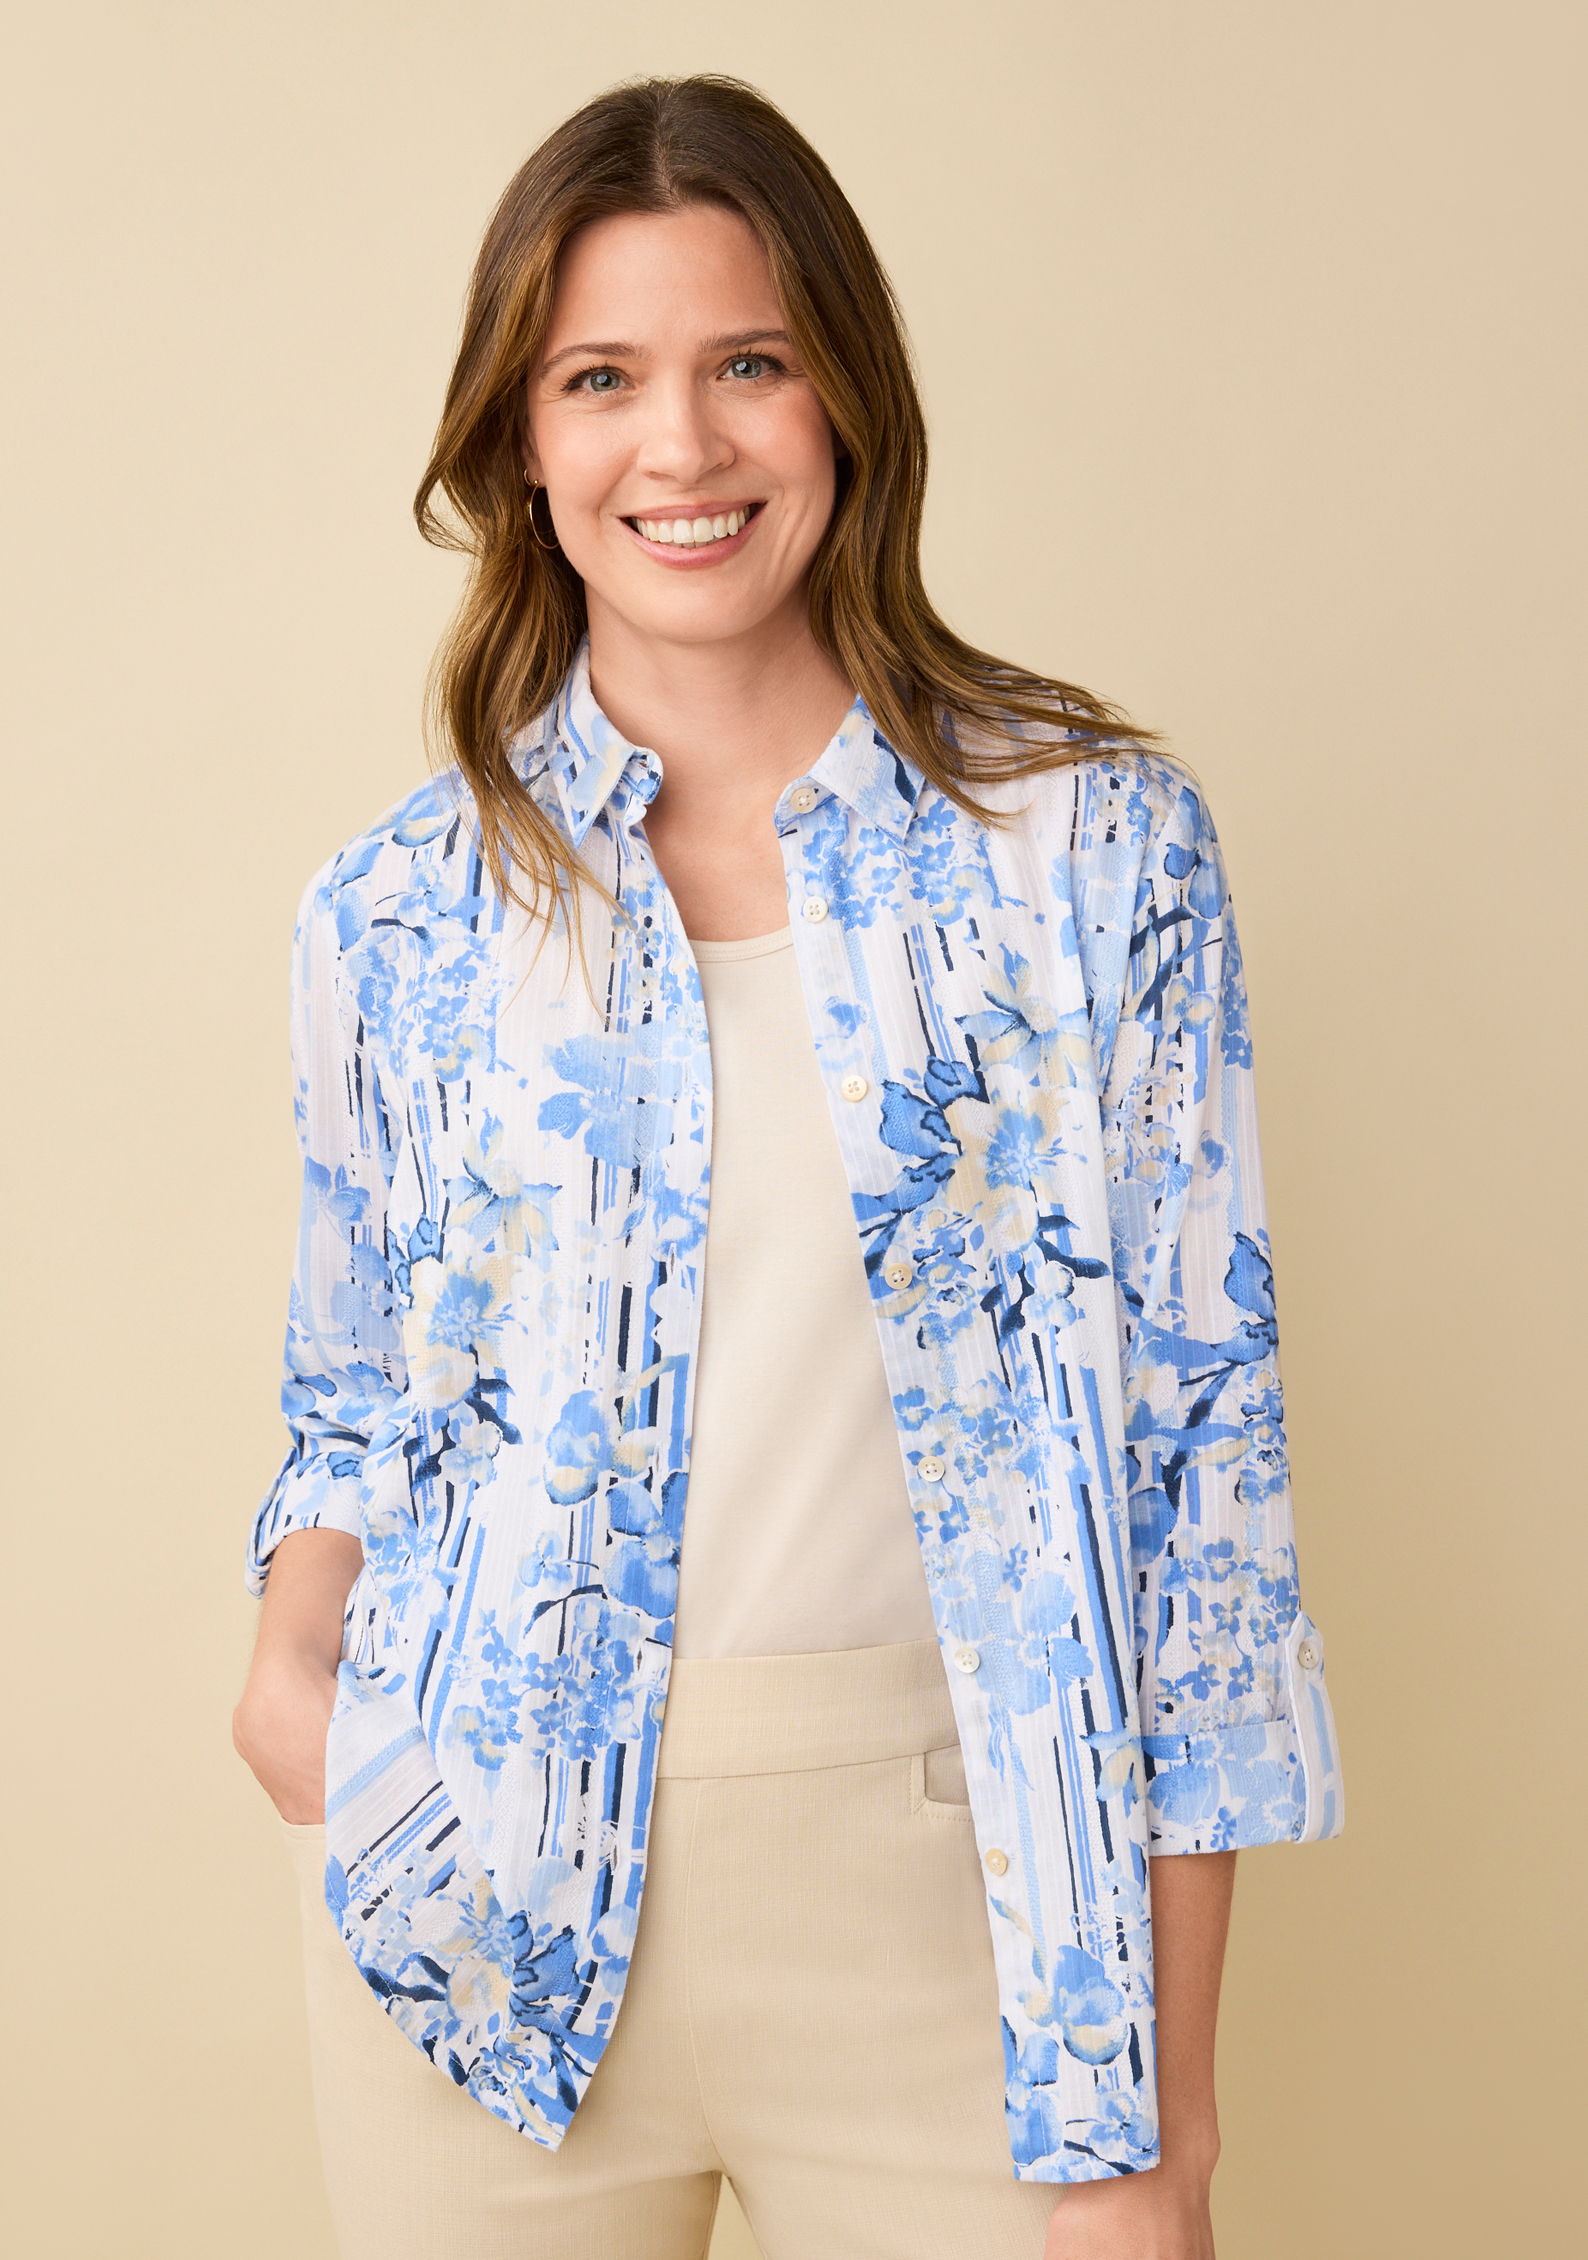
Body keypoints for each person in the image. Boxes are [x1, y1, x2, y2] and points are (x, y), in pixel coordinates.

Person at [231, 70, 1344, 2260]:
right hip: (472, 1902)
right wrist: (296, 1680)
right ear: (521, 441)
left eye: (746, 361)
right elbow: (352, 1400)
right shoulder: (397, 913)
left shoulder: (1090, 852)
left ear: (843, 394)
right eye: (600, 379)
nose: (683, 444)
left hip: (958, 1914)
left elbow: (1197, 1490)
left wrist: (1161, 2112)